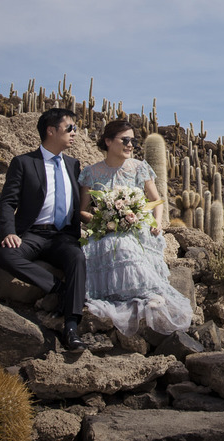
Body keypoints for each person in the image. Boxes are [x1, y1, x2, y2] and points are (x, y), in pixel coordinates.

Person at [78, 119, 192, 336]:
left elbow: (156, 200)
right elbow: (83, 211)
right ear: (108, 141)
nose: (131, 145)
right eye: (126, 140)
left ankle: (147, 293)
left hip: (139, 229)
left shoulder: (140, 168)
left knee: (124, 244)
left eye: (134, 141)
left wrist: (157, 224)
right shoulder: (91, 173)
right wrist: (103, 223)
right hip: (106, 230)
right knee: (111, 243)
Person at [0, 107, 87, 350]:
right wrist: (9, 232)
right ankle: (59, 288)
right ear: (50, 130)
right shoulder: (24, 163)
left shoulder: (74, 165)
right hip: (33, 234)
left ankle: (71, 327)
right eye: (70, 128)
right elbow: (8, 202)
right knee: (6, 254)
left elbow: (83, 203)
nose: (74, 133)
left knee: (77, 257)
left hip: (63, 236)